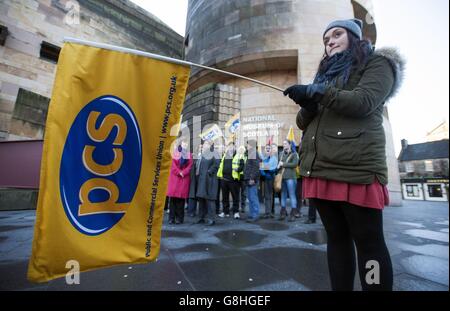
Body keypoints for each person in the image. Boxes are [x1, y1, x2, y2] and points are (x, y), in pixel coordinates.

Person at [284, 19, 404, 291]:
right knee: (336, 240)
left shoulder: (378, 64)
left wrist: (318, 92)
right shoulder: (324, 75)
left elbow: (363, 102)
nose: (330, 42)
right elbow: (304, 123)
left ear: (353, 36)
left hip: (356, 168)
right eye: (326, 40)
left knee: (369, 243)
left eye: (337, 35)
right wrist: (308, 104)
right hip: (320, 167)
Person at [167, 140, 193, 224]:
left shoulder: (189, 154)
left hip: (183, 179)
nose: (185, 144)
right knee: (173, 200)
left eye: (186, 143)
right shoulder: (175, 153)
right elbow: (172, 164)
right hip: (175, 178)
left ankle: (179, 218)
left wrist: (183, 172)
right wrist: (179, 172)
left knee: (181, 201)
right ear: (181, 144)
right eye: (184, 143)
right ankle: (171, 218)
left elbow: (190, 166)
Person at [195, 140, 220, 226]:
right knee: (201, 199)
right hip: (202, 180)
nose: (204, 145)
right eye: (204, 143)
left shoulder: (214, 153)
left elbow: (217, 165)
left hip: (210, 180)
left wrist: (209, 171)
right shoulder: (203, 153)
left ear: (209, 145)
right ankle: (201, 217)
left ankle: (211, 219)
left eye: (205, 143)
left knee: (210, 200)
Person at [217, 142, 242, 219]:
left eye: (232, 146)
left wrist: (238, 169)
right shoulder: (225, 155)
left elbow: (242, 166)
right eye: (229, 146)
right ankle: (225, 212)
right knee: (225, 197)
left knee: (235, 197)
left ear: (235, 147)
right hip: (224, 179)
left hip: (233, 180)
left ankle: (236, 212)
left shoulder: (238, 155)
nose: (231, 148)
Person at [277, 140, 299, 222]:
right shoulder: (281, 154)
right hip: (282, 177)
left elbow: (295, 164)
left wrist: (283, 164)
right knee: (283, 195)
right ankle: (283, 212)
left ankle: (293, 213)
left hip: (291, 178)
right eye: (283, 144)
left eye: (285, 144)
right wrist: (278, 166)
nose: (284, 145)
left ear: (289, 144)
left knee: (292, 195)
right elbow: (280, 164)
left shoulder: (294, 154)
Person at [243, 139, 260, 222]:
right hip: (248, 179)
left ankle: (255, 215)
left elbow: (256, 167)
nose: (247, 146)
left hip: (251, 179)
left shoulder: (254, 153)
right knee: (250, 197)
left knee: (253, 197)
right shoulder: (250, 153)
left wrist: (252, 178)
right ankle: (252, 214)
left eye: (249, 145)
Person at [260, 144, 278, 218]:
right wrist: (264, 172)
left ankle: (269, 212)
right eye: (266, 148)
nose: (267, 149)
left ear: (271, 150)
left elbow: (272, 169)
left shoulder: (274, 158)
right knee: (266, 196)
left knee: (270, 196)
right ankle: (267, 212)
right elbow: (261, 168)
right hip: (265, 179)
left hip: (271, 179)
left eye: (269, 148)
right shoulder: (264, 158)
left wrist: (264, 167)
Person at [187, 143, 203, 217]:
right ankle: (191, 211)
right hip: (193, 178)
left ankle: (201, 212)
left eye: (202, 147)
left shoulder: (205, 156)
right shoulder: (193, 156)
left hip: (201, 178)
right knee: (192, 195)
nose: (201, 148)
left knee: (200, 195)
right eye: (199, 147)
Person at [237, 145, 247, 213]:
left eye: (242, 150)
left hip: (243, 177)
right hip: (237, 177)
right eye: (240, 150)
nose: (241, 151)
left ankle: (243, 207)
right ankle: (237, 206)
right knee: (236, 193)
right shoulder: (236, 157)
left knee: (243, 193)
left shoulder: (246, 157)